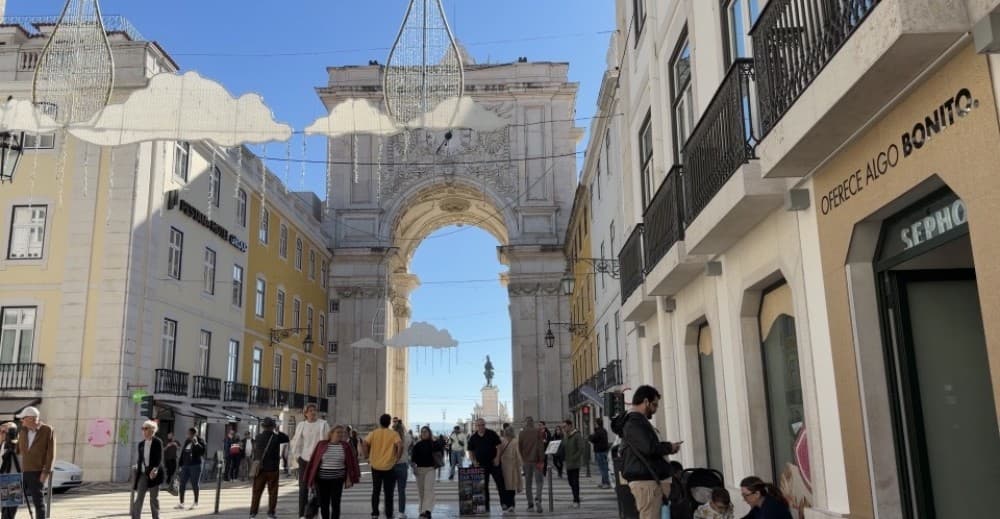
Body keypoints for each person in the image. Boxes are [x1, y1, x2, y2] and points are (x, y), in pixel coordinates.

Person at [611, 385, 682, 519]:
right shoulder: (634, 421)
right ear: (645, 402)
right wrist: (669, 447)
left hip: (648, 481)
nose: (655, 409)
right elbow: (648, 448)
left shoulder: (636, 421)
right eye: (654, 405)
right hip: (647, 483)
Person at [305, 425, 361, 519]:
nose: (341, 434)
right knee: (324, 504)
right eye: (338, 432)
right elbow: (314, 461)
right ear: (331, 434)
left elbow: (350, 463)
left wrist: (348, 479)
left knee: (336, 503)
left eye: (342, 433)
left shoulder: (345, 446)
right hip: (322, 480)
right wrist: (312, 479)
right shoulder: (321, 444)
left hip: (338, 480)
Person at [291, 403, 331, 519]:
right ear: (305, 413)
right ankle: (302, 514)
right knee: (303, 488)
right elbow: (296, 441)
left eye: (314, 410)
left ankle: (317, 511)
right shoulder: (301, 425)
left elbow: (328, 441)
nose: (313, 412)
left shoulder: (323, 424)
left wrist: (325, 457)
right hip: (304, 460)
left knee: (320, 488)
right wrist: (298, 457)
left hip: (319, 460)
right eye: (310, 410)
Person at [15, 406, 54, 519]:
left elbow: (51, 453)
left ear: (31, 418)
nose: (21, 421)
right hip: (22, 471)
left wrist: (46, 472)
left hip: (37, 471)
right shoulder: (22, 431)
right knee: (13, 499)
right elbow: (18, 449)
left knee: (38, 502)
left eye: (23, 418)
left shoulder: (47, 430)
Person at [362, 413, 402, 519]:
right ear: (389, 423)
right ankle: (389, 514)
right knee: (389, 493)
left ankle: (375, 513)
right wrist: (397, 458)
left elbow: (364, 443)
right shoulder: (394, 434)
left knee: (376, 491)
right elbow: (399, 445)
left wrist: (366, 456)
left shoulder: (373, 433)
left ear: (380, 422)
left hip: (375, 466)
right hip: (389, 466)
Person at [250, 417, 290, 519]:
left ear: (263, 426)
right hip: (273, 469)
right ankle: (271, 513)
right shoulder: (276, 437)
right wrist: (278, 431)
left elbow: (255, 451)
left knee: (257, 492)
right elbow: (286, 438)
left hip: (260, 468)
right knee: (272, 492)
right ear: (273, 427)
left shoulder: (258, 437)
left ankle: (253, 513)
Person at [467, 418, 508, 512]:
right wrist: (473, 461)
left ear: (485, 425)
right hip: (481, 465)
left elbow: (498, 446)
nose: (481, 427)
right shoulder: (473, 437)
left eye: (482, 425)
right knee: (484, 487)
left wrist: (497, 458)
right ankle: (486, 506)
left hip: (493, 463)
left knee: (500, 483)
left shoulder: (491, 433)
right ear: (475, 426)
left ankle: (504, 503)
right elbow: (470, 450)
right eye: (478, 425)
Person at [132, 420, 164, 519]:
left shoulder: (157, 442)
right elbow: (140, 458)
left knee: (153, 498)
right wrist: (137, 466)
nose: (143, 431)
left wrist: (155, 469)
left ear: (152, 430)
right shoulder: (141, 444)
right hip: (143, 474)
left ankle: (156, 517)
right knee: (139, 498)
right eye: (143, 429)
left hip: (154, 473)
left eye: (146, 428)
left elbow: (159, 458)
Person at [410, 426, 443, 519]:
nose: (424, 433)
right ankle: (422, 510)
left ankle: (427, 511)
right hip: (419, 470)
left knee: (428, 490)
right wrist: (414, 467)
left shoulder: (434, 444)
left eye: (426, 431)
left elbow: (440, 455)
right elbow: (412, 459)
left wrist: (437, 464)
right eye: (422, 431)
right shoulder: (417, 445)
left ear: (429, 433)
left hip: (430, 469)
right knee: (421, 492)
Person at [518, 417, 545, 513]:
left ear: (525, 423)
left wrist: (523, 458)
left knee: (528, 483)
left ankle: (530, 504)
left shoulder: (521, 433)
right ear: (532, 423)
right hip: (537, 461)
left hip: (526, 462)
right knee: (539, 482)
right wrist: (541, 460)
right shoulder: (538, 431)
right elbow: (541, 446)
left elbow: (519, 448)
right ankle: (538, 498)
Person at [174, 427, 205, 510]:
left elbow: (202, 452)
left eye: (189, 434)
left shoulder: (200, 441)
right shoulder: (187, 441)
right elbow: (183, 453)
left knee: (194, 484)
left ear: (194, 434)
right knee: (182, 483)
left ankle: (195, 502)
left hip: (195, 466)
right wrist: (180, 465)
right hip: (185, 465)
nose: (187, 435)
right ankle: (181, 503)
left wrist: (196, 443)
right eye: (188, 433)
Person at [560, 420, 585, 509]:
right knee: (570, 481)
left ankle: (576, 500)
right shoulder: (566, 436)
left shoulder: (577, 435)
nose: (564, 428)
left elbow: (581, 448)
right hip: (568, 463)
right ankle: (576, 496)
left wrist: (575, 457)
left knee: (575, 482)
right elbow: (563, 446)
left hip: (575, 463)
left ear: (570, 426)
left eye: (565, 426)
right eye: (563, 427)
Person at [497, 426, 522, 512]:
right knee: (511, 486)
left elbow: (498, 452)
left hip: (503, 466)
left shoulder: (502, 441)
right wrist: (520, 464)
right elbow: (518, 454)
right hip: (512, 466)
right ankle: (511, 504)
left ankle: (506, 503)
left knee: (504, 486)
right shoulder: (515, 441)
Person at [392, 421, 413, 518]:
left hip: (391, 465)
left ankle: (389, 510)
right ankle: (401, 512)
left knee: (389, 491)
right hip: (403, 466)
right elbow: (409, 446)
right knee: (401, 491)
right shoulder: (408, 437)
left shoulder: (391, 436)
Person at [0, 423, 20, 519]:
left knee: (9, 512)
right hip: (3, 480)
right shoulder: (2, 444)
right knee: (4, 509)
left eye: (4, 432)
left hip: (14, 480)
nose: (1, 434)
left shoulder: (18, 446)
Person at [589, 417, 612, 489]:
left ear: (597, 424)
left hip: (600, 452)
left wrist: (591, 436)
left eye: (595, 423)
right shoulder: (604, 430)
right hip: (604, 451)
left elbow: (593, 439)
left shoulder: (598, 431)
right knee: (604, 467)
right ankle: (604, 482)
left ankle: (606, 483)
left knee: (603, 468)